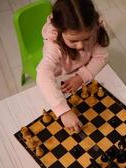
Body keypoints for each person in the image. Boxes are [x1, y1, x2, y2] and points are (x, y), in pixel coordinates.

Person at [36, 0, 109, 132]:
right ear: (60, 31)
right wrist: (62, 111)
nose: (81, 46)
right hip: (60, 76)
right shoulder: (54, 46)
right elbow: (43, 74)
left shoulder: (93, 29)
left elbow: (101, 56)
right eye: (73, 40)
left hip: (81, 74)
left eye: (86, 39)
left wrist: (82, 76)